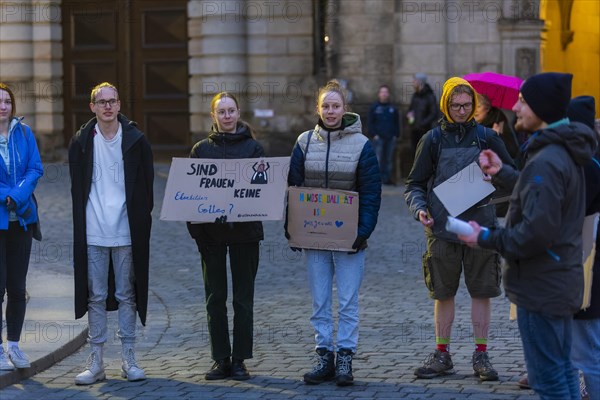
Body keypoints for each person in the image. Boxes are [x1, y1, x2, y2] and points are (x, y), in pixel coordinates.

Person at [457, 73, 598, 399]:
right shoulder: (559, 152)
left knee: (550, 383)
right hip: (559, 281)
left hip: (542, 286)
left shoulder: (547, 160)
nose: (516, 107)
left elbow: (533, 235)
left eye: (524, 100)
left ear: (542, 108)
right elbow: (542, 196)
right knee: (562, 373)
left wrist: (486, 237)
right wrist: (502, 173)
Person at [404, 77, 515, 382]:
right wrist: (420, 209)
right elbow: (414, 184)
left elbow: (512, 176)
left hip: (481, 229)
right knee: (443, 292)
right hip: (442, 228)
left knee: (482, 292)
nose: (462, 111)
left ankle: (481, 354)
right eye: (456, 105)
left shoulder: (487, 137)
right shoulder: (432, 140)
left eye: (468, 105)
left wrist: (495, 172)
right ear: (446, 105)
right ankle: (442, 354)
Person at [287, 80, 381, 386]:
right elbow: (294, 189)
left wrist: (361, 231)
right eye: (325, 106)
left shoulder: (362, 145)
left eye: (336, 106)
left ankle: (345, 358)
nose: (330, 111)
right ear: (318, 108)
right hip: (313, 237)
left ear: (344, 109)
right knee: (320, 300)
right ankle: (324, 354)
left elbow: (370, 194)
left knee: (348, 300)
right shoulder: (303, 142)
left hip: (349, 237)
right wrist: (293, 228)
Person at [69, 82, 154, 385]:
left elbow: (147, 187)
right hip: (93, 230)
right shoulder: (81, 141)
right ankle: (96, 361)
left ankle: (129, 358)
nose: (107, 106)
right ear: (92, 106)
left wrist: (139, 219)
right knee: (96, 295)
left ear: (119, 105)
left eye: (112, 101)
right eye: (101, 101)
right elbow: (76, 189)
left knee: (127, 295)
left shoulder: (136, 141)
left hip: (126, 230)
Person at [186, 92, 264, 381]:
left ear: (238, 113)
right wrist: (197, 232)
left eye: (231, 111)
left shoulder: (254, 149)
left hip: (246, 233)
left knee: (243, 299)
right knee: (214, 298)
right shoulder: (200, 150)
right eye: (222, 111)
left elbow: (262, 192)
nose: (227, 116)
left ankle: (240, 359)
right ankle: (221, 358)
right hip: (211, 234)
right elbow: (189, 196)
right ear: (214, 116)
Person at [0, 83, 43, 370]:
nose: (3, 106)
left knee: (17, 287)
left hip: (23, 221)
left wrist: (18, 195)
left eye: (6, 101)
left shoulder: (25, 133)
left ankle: (14, 345)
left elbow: (35, 168)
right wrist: (7, 195)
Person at [569, 95, 600, 400]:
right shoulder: (588, 162)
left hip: (585, 268)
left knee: (589, 349)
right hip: (584, 266)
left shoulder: (586, 167)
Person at [367, 85, 400, 184]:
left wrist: (396, 135)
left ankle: (387, 179)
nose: (384, 94)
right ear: (379, 94)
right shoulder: (374, 108)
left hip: (390, 138)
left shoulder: (393, 108)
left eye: (386, 92)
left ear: (388, 94)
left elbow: (397, 123)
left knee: (389, 160)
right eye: (382, 92)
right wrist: (374, 134)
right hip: (378, 138)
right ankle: (377, 179)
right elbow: (370, 122)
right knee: (378, 159)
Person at [474, 93, 520, 160]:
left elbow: (511, 151)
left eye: (478, 106)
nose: (475, 110)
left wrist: (497, 138)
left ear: (487, 109)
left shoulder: (499, 122)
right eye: (473, 106)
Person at [407, 73, 438, 154]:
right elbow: (411, 110)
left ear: (420, 82)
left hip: (425, 131)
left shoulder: (430, 96)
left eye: (414, 81)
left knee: (424, 154)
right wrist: (410, 116)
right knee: (414, 154)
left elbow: (434, 113)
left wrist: (422, 124)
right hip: (414, 131)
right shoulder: (415, 95)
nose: (413, 83)